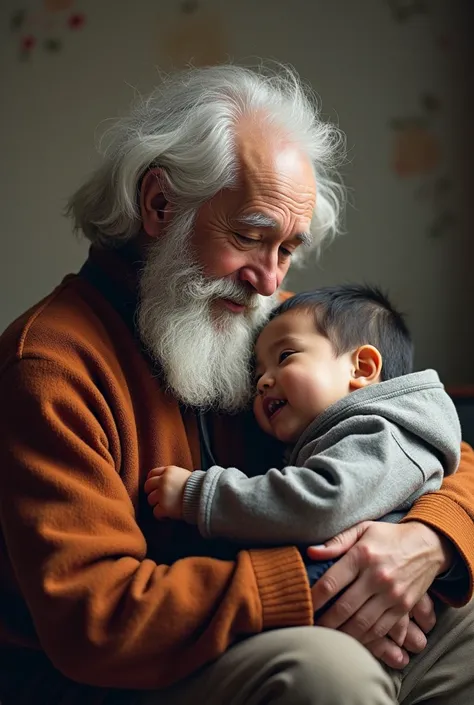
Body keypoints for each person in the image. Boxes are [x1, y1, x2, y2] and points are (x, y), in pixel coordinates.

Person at [0, 64, 473, 705]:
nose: (271, 282)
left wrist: (428, 541)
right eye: (251, 237)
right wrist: (322, 580)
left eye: (288, 250)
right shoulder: (48, 367)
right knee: (327, 674)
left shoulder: (266, 325)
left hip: (288, 613)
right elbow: (94, 617)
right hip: (134, 674)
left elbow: (425, 436)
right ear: (160, 205)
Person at [143, 285, 461, 583]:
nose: (263, 382)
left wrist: (201, 495)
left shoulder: (381, 435)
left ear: (361, 368)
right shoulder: (337, 435)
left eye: (285, 357)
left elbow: (322, 505)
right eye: (257, 375)